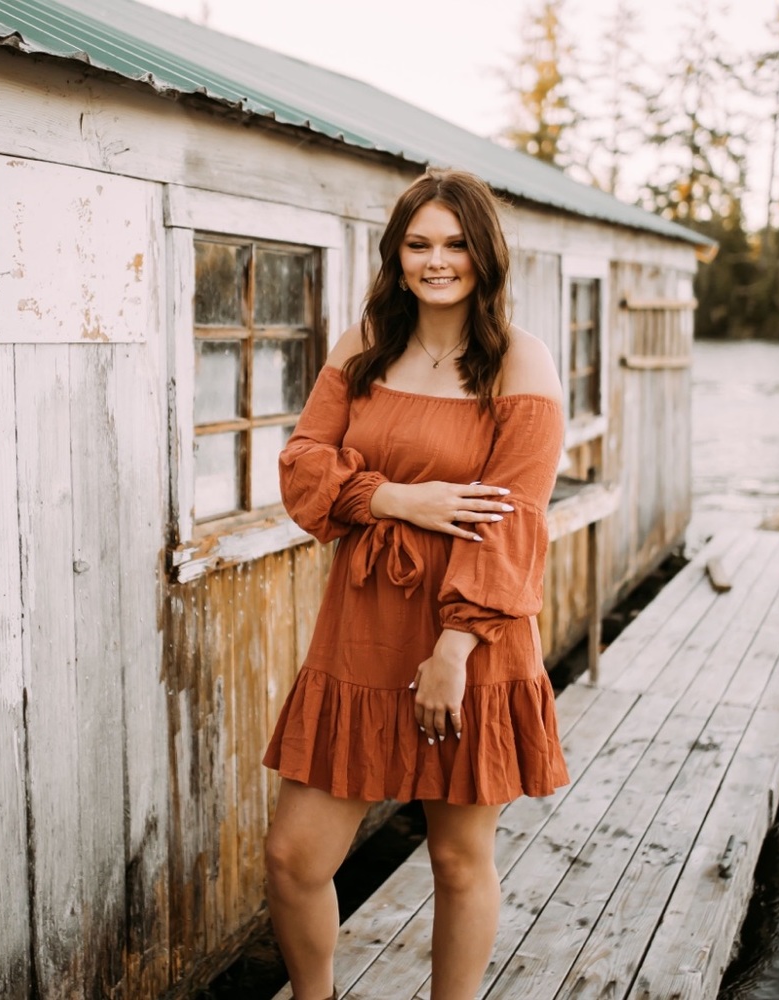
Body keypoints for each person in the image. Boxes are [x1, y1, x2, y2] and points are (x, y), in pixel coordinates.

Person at [262, 167, 570, 1000]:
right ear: (397, 256)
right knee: (294, 857)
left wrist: (454, 648)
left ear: (485, 254)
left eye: (456, 243)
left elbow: (514, 520)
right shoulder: (364, 344)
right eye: (419, 244)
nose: (438, 261)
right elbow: (301, 469)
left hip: (468, 636)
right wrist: (394, 497)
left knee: (457, 858)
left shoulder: (518, 362)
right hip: (360, 626)